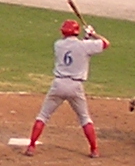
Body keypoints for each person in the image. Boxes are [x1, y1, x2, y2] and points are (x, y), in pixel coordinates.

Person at [26, 18, 106, 157]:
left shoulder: (58, 45)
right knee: (84, 118)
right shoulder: (84, 46)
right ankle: (94, 150)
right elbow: (105, 43)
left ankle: (31, 146)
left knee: (43, 116)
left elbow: (75, 48)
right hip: (75, 86)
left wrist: (87, 38)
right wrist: (93, 34)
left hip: (58, 84)